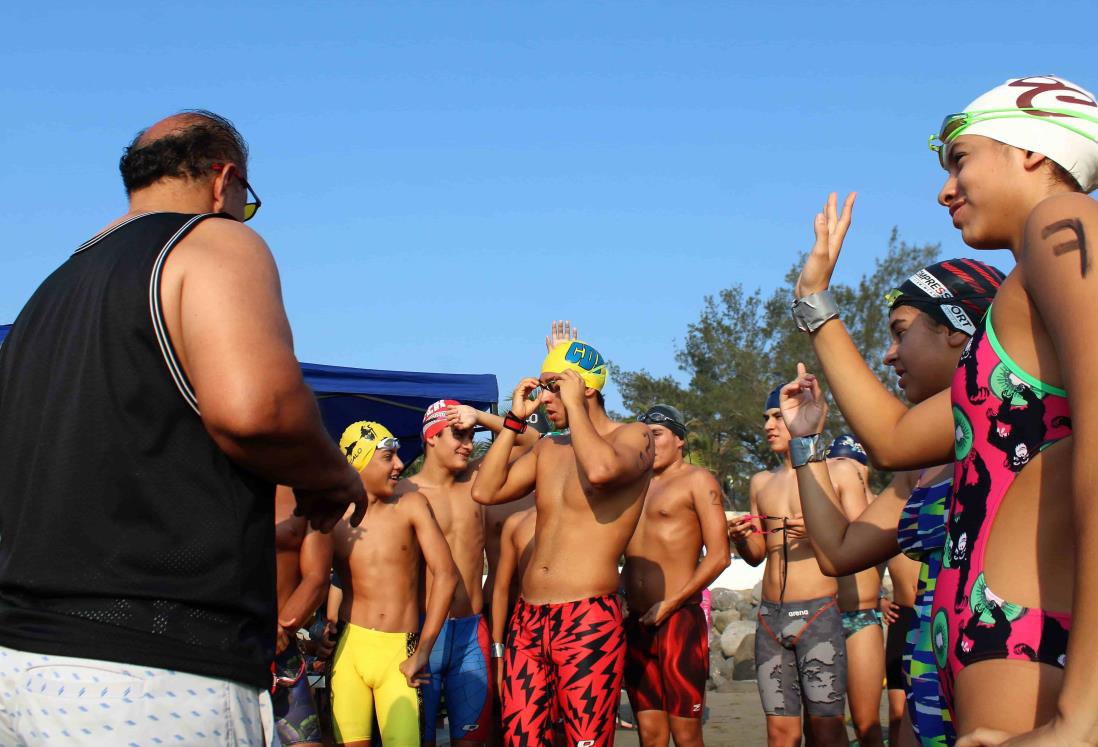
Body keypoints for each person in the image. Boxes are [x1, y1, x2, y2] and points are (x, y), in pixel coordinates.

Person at [0, 111, 365, 745]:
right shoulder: (211, 241)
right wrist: (331, 476)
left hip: (18, 660)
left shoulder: (49, 290)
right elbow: (258, 411)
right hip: (151, 670)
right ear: (224, 180)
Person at [791, 72, 1098, 742]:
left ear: (1032, 151)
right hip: (979, 639)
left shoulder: (1062, 220)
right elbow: (896, 439)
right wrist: (814, 299)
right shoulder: (1017, 308)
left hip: (1021, 634)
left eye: (959, 159)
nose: (944, 189)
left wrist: (1083, 715)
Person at [791, 197, 1005, 746]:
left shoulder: (1007, 414)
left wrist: (815, 302)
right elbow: (838, 551)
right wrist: (805, 445)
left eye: (900, 331)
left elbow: (884, 441)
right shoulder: (925, 466)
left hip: (1008, 672)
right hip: (932, 682)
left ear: (956, 330)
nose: (889, 354)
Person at [472, 339, 654, 747]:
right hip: (529, 620)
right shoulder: (549, 448)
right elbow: (485, 490)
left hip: (588, 618)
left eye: (553, 386)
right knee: (520, 739)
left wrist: (573, 406)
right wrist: (515, 421)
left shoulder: (635, 436)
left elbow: (602, 470)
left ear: (585, 387)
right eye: (541, 387)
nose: (544, 398)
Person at [396, 400, 539, 747]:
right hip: (421, 628)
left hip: (472, 631)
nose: (468, 443)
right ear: (431, 437)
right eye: (458, 434)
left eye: (471, 435)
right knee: (420, 739)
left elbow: (532, 441)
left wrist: (479, 417)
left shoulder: (479, 480)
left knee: (472, 740)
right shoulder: (405, 492)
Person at [727, 389, 855, 747]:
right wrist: (739, 537)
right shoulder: (760, 482)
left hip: (817, 613)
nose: (768, 425)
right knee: (780, 733)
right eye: (766, 417)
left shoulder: (836, 472)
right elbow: (757, 554)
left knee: (827, 729)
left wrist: (818, 534)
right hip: (770, 617)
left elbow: (861, 540)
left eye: (777, 416)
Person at [329, 421, 459, 747]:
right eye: (389, 457)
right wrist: (321, 631)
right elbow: (322, 579)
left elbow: (446, 575)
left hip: (399, 654)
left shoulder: (411, 506)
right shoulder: (332, 519)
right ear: (359, 463)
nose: (400, 465)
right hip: (349, 650)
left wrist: (424, 650)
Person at [621, 404, 731, 747]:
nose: (650, 445)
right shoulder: (632, 486)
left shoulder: (698, 480)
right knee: (650, 735)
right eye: (645, 438)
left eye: (657, 436)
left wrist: (672, 603)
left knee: (685, 733)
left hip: (679, 619)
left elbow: (719, 557)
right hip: (635, 621)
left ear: (680, 440)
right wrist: (619, 596)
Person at [825, 434, 886, 747]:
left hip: (861, 618)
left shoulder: (879, 508)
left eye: (850, 464)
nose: (844, 471)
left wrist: (888, 598)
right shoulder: (823, 517)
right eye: (836, 464)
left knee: (866, 724)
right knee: (826, 725)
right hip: (823, 618)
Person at [274, 485, 336, 747]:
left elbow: (317, 578)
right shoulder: (213, 479)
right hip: (219, 644)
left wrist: (281, 625)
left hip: (283, 649)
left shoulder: (307, 493)